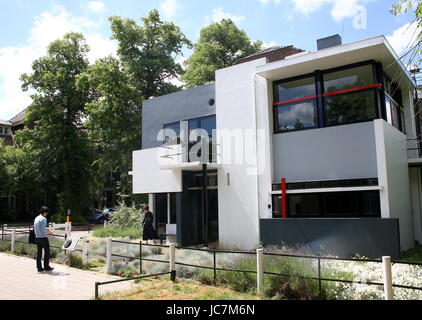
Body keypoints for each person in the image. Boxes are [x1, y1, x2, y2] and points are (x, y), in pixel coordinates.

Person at [34, 206, 54, 272]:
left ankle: (39, 267)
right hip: (43, 237)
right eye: (47, 213)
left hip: (37, 237)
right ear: (44, 212)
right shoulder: (43, 219)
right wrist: (49, 232)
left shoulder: (36, 218)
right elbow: (43, 229)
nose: (47, 214)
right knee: (47, 252)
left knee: (39, 253)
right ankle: (46, 266)